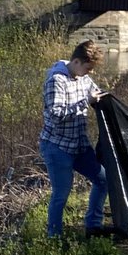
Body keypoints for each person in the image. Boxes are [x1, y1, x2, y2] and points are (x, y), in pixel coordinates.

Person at [39, 39, 110, 239]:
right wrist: (85, 102)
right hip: (57, 147)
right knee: (61, 193)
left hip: (79, 145)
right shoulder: (56, 80)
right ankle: (54, 237)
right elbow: (56, 114)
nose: (90, 73)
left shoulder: (84, 78)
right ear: (77, 62)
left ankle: (93, 226)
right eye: (88, 68)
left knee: (103, 180)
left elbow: (96, 93)